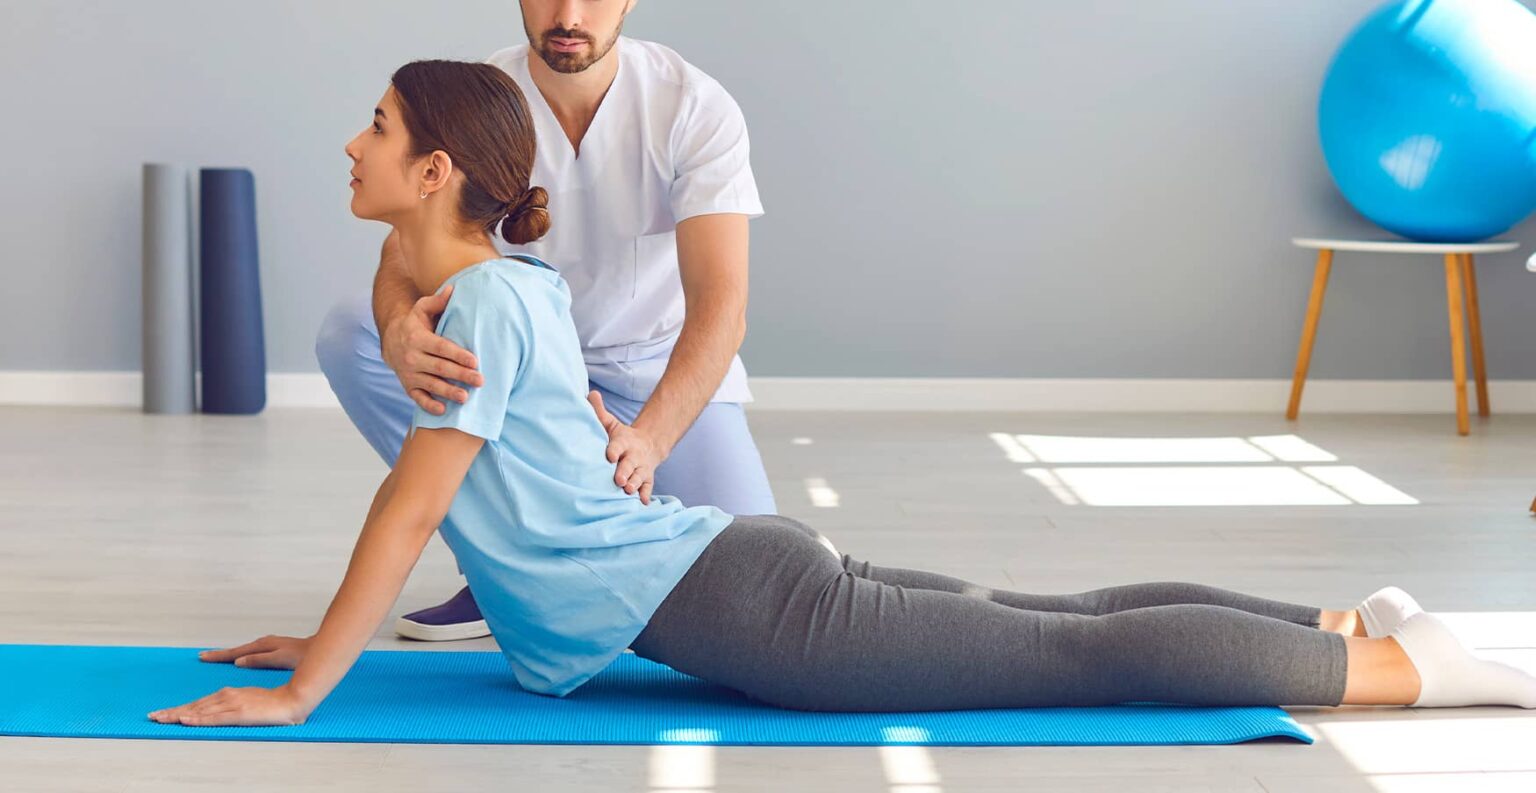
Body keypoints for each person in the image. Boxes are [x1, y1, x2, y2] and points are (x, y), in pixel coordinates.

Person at [148, 61, 1536, 728]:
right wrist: (321, 639)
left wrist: (313, 681)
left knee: (1067, 657)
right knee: (1037, 617)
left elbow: (409, 514)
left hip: (751, 607)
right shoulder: (478, 300)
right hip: (728, 572)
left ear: (440, 169)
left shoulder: (482, 314)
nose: (353, 141)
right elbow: (402, 310)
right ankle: (1341, 618)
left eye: (379, 129)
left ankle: (1416, 671)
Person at [314, 0, 777, 643]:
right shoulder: (486, 95)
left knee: (754, 588)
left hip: (653, 372)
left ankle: (547, 543)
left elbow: (722, 306)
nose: (568, 15)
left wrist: (650, 441)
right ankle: (502, 562)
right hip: (527, 373)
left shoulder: (693, 105)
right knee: (352, 331)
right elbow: (405, 244)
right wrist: (398, 329)